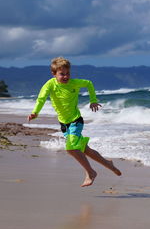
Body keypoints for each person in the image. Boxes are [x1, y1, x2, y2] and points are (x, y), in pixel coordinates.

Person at [28, 57, 122, 187]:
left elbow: (89, 83)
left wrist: (93, 100)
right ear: (54, 74)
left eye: (68, 73)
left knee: (71, 148)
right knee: (85, 150)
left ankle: (90, 172)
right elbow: (41, 99)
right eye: (62, 74)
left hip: (76, 121)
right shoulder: (49, 85)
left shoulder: (74, 83)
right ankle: (108, 164)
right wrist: (35, 112)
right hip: (64, 124)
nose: (66, 76)